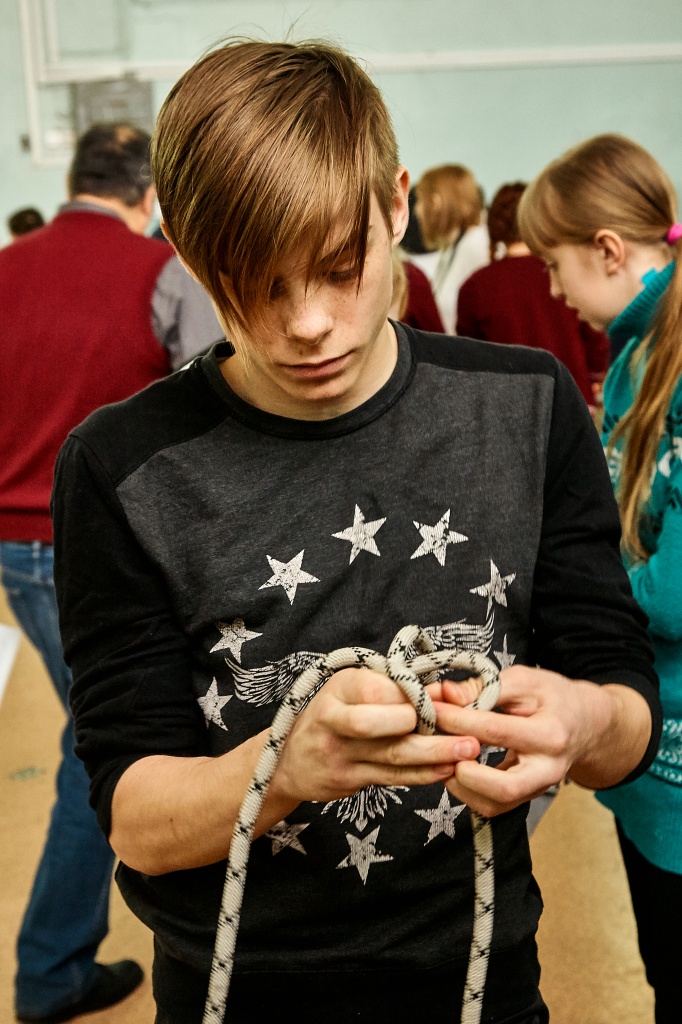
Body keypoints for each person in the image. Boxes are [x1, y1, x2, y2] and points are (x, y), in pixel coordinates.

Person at [51, 44, 660, 1024]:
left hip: (479, 973)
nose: (307, 324)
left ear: (395, 205)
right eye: (254, 283)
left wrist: (580, 722)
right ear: (190, 259)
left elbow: (624, 710)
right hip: (239, 988)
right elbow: (136, 821)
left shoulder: (526, 409)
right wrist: (281, 769)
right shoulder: (122, 467)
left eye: (341, 269)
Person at [0, 122, 222, 1024]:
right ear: (148, 195)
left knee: (96, 737)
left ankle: (63, 961)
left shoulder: (6, 267)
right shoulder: (162, 270)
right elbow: (210, 404)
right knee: (106, 749)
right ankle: (52, 970)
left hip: (16, 547)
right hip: (113, 550)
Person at [518, 132, 682, 1024]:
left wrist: (578, 596)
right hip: (656, 760)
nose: (552, 290)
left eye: (556, 264)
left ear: (610, 250)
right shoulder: (636, 356)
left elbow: (675, 588)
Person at [457, 183, 610, 410]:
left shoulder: (475, 286)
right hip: (573, 399)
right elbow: (595, 332)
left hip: (507, 411)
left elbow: (468, 361)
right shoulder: (568, 271)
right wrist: (596, 376)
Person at [411, 164, 489, 333]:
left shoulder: (476, 244)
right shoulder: (451, 248)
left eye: (420, 200)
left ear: (436, 202)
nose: (417, 210)